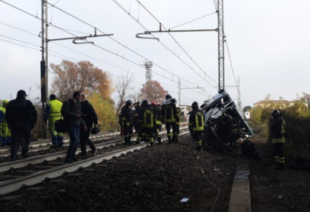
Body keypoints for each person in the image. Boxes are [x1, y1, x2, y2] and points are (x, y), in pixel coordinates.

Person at [6, 90, 37, 161]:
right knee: (28, 137)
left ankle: (14, 156)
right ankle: (25, 151)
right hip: (25, 124)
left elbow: (7, 115)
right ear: (24, 95)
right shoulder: (28, 103)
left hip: (14, 124)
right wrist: (33, 123)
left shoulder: (11, 103)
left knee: (15, 140)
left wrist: (10, 123)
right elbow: (34, 113)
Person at [61, 91, 86, 163]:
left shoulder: (78, 103)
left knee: (77, 140)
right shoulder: (68, 102)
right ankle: (68, 157)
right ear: (76, 96)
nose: (81, 97)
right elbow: (64, 112)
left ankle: (72, 156)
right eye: (80, 96)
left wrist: (83, 124)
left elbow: (79, 114)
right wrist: (75, 115)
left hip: (77, 123)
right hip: (71, 123)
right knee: (74, 140)